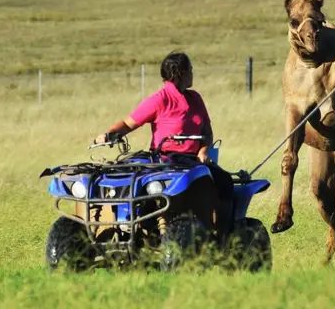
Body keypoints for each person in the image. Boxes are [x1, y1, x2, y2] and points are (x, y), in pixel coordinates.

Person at [93, 51, 235, 227]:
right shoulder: (159, 100)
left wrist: (204, 150)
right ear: (179, 73)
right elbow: (128, 124)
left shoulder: (195, 98)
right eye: (190, 70)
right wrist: (108, 135)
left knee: (226, 182)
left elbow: (207, 131)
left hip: (195, 160)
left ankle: (222, 233)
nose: (192, 73)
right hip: (166, 158)